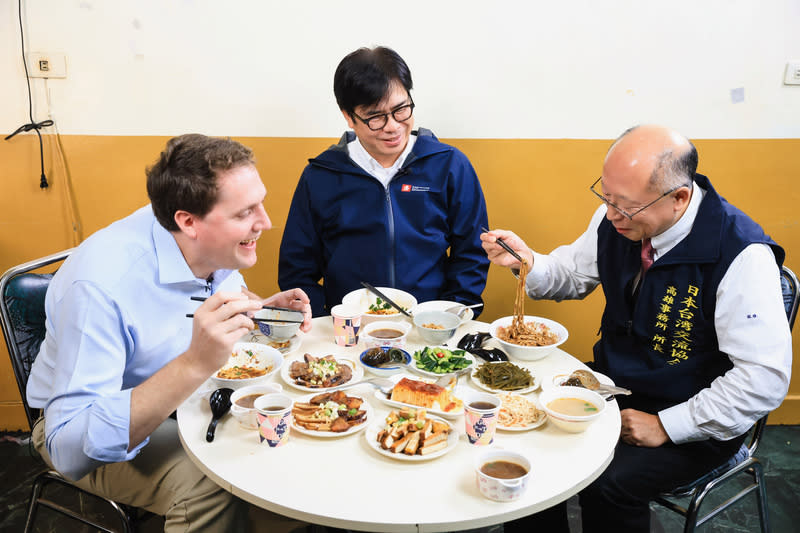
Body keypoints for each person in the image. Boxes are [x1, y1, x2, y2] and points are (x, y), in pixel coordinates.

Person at [482, 125, 792, 533]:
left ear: (679, 198)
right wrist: (529, 261)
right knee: (530, 444)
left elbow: (762, 380)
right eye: (605, 197)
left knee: (609, 482)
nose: (611, 215)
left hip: (693, 411)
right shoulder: (618, 215)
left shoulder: (742, 256)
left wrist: (667, 425)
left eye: (624, 207)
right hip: (613, 384)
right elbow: (573, 275)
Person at [27, 134, 313, 532]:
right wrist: (195, 364)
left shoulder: (204, 235)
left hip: (184, 400)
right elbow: (69, 448)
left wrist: (262, 309)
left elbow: (212, 291)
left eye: (259, 204)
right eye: (245, 213)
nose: (265, 222)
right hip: (94, 428)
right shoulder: (100, 286)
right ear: (187, 222)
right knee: (211, 485)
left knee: (289, 438)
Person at [278, 45, 490, 317]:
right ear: (348, 116)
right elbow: (296, 270)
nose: (392, 126)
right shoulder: (322, 175)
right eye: (376, 117)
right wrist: (326, 320)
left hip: (430, 324)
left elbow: (472, 251)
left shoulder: (449, 165)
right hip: (349, 330)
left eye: (401, 110)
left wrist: (449, 314)